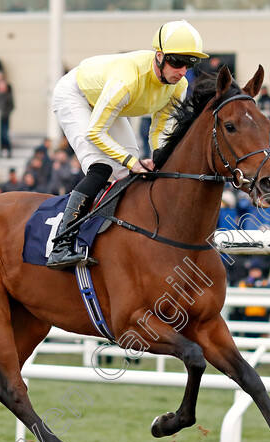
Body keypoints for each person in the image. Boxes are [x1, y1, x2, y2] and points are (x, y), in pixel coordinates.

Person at [46, 20, 208, 269]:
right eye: (177, 62)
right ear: (160, 56)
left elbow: (158, 130)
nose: (182, 70)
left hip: (105, 101)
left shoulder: (179, 86)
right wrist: (132, 161)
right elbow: (95, 132)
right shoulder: (128, 80)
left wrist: (158, 157)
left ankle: (113, 237)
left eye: (190, 64)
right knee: (102, 167)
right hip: (76, 95)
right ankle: (62, 244)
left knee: (128, 171)